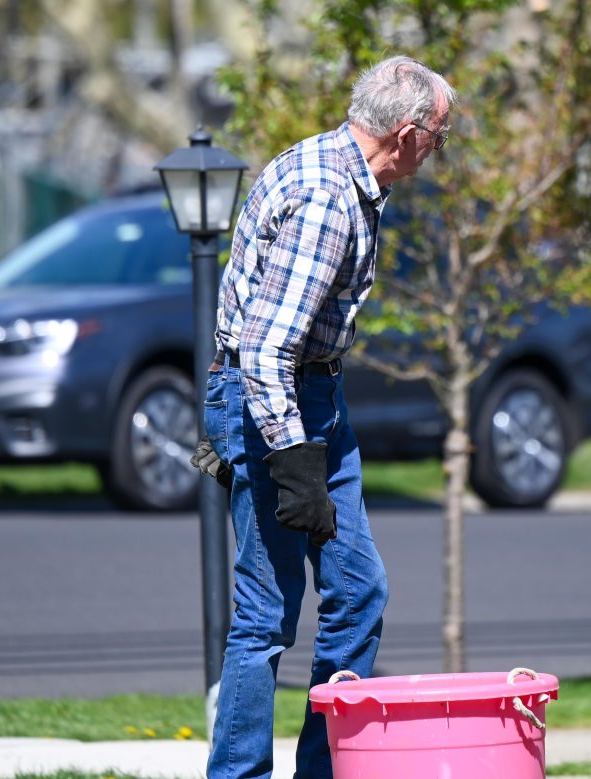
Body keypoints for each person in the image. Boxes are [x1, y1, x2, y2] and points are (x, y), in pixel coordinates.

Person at [190, 55, 456, 779]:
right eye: (438, 136)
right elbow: (266, 348)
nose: (438, 149)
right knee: (266, 613)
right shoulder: (327, 199)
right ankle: (238, 774)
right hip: (274, 403)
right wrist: (287, 458)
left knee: (357, 589)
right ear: (405, 133)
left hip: (312, 402)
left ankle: (322, 769)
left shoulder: (343, 171)